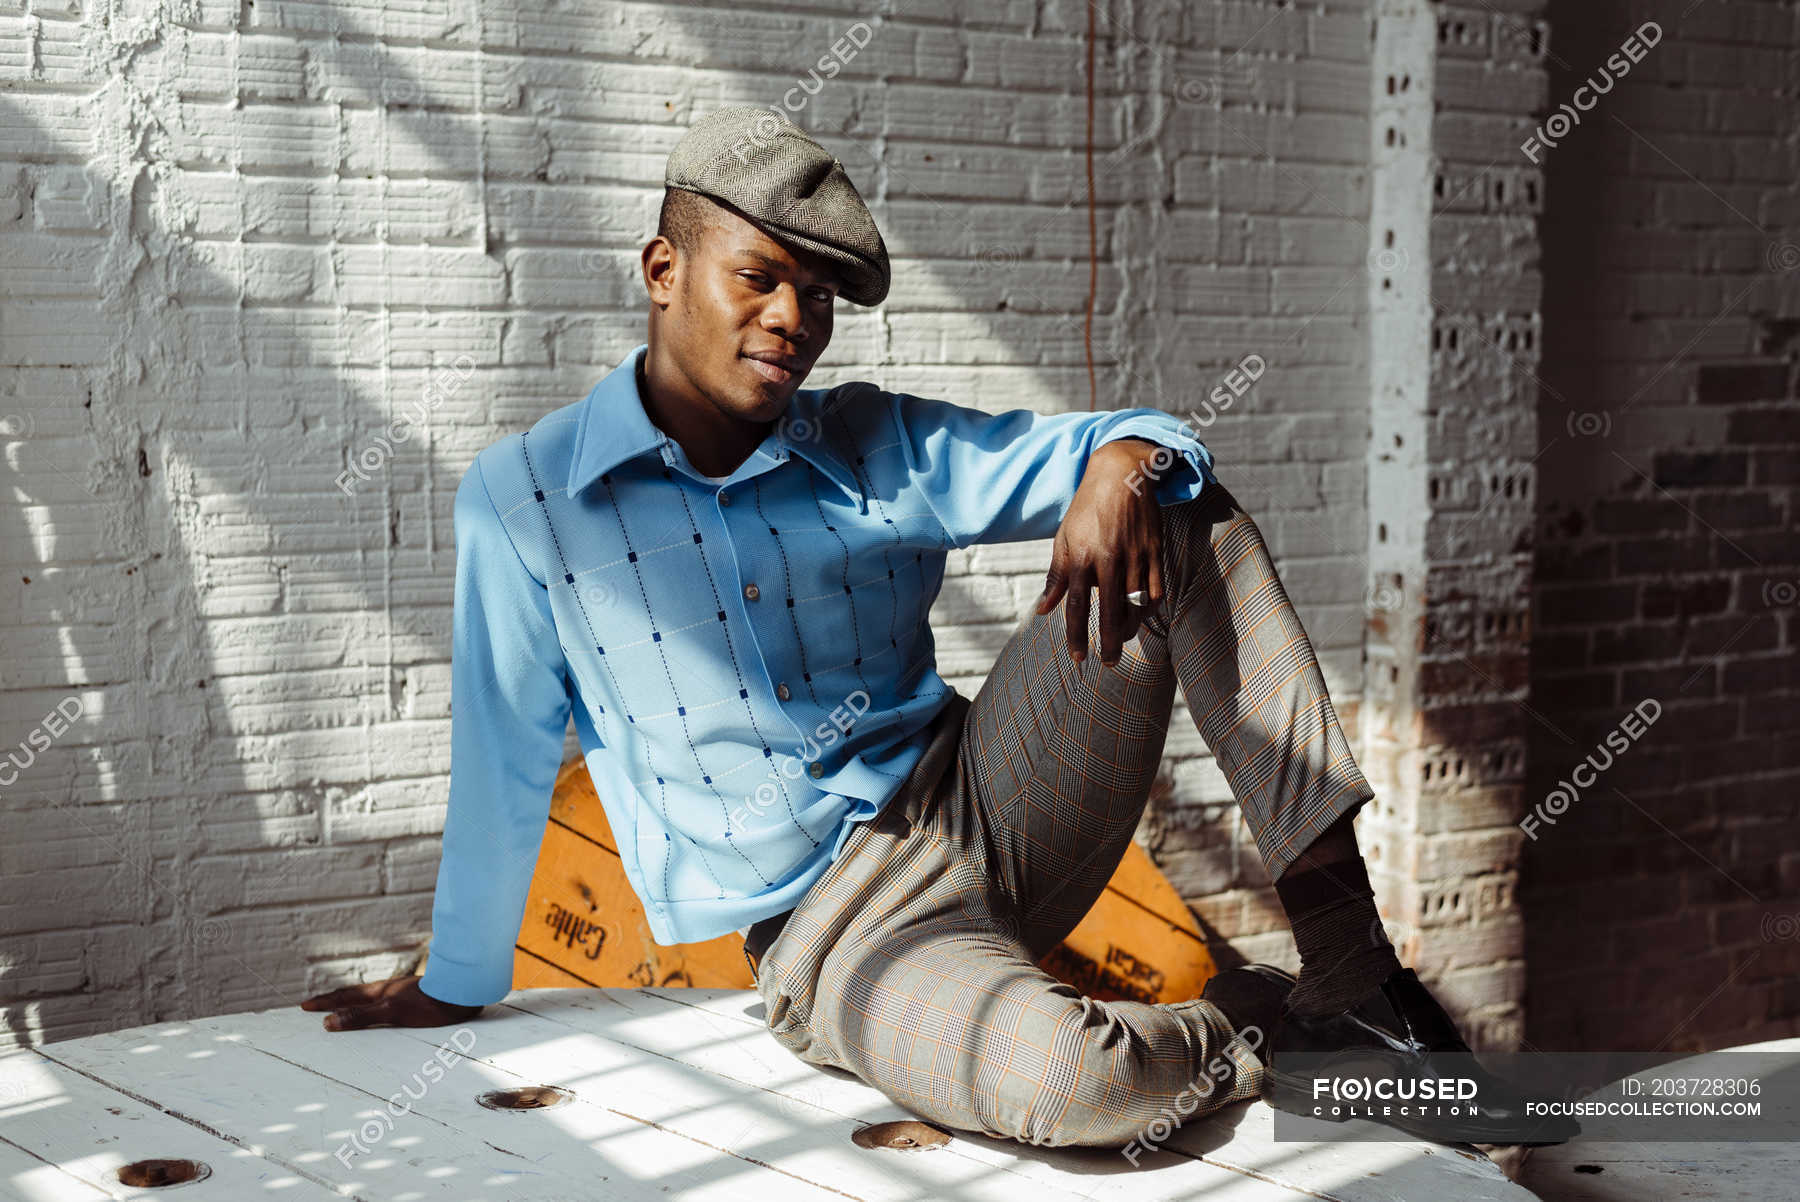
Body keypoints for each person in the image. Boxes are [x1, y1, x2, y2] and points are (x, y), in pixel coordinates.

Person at [302, 107, 1572, 1150]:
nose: (791, 319)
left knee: (1178, 513)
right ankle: (1267, 1026)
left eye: (817, 295)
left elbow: (1144, 435)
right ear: (660, 269)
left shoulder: (867, 441)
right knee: (1079, 1089)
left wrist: (1121, 464)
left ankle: (1353, 970)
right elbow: (507, 751)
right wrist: (454, 979)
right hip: (838, 933)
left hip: (995, 796)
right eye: (760, 277)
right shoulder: (525, 505)